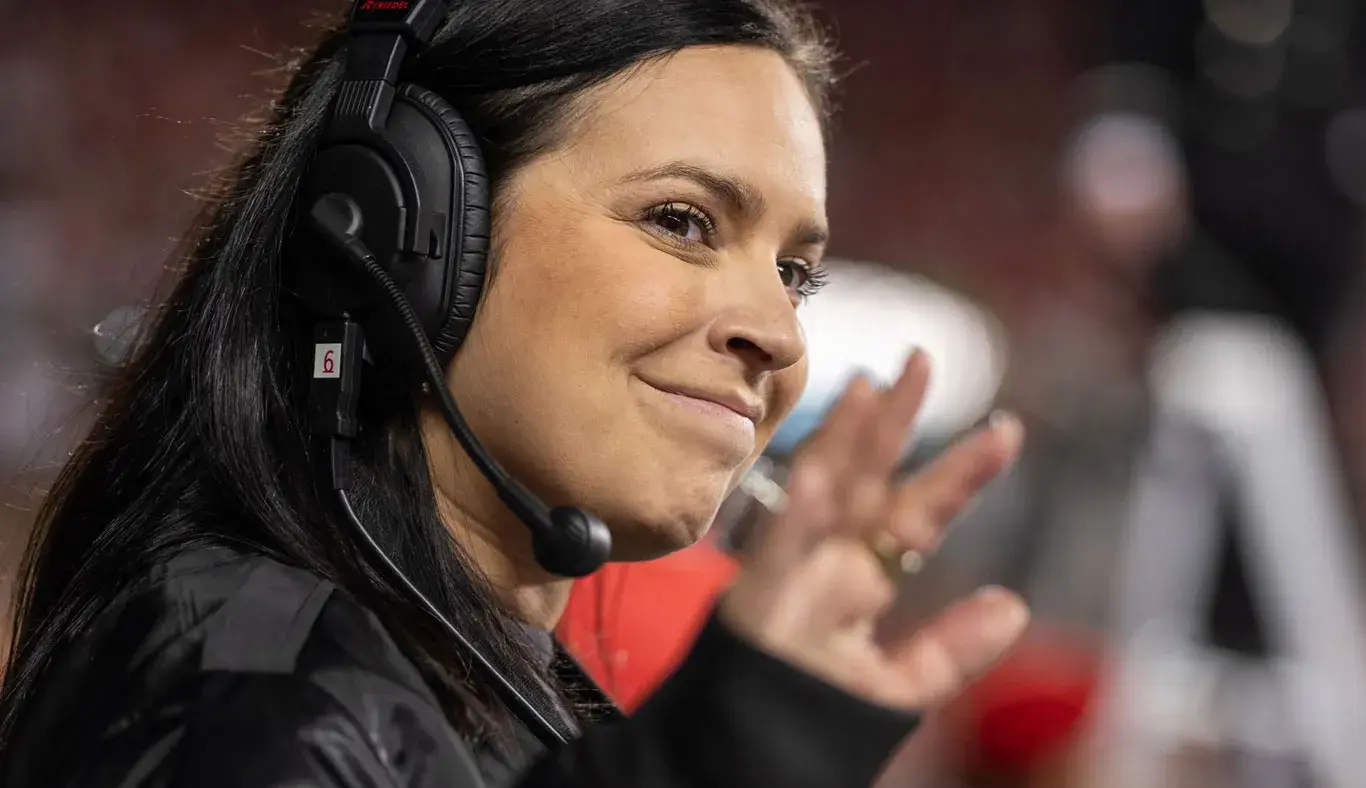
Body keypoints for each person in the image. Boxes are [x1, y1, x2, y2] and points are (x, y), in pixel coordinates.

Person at [0, 2, 1029, 787]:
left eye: (795, 273)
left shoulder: (446, 671)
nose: (780, 334)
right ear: (397, 233)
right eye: (681, 220)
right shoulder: (248, 701)